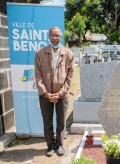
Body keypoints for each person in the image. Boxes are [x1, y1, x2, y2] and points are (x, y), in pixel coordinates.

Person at [35, 26, 74, 157]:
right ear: (49, 36)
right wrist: (46, 93)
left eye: (57, 35)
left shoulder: (68, 54)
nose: (55, 38)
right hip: (45, 95)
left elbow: (70, 77)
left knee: (61, 122)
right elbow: (38, 75)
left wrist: (61, 93)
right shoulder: (40, 53)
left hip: (62, 95)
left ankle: (60, 144)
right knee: (47, 122)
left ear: (61, 37)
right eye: (52, 35)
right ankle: (50, 145)